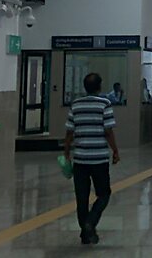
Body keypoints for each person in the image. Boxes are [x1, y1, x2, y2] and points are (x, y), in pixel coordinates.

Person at [63, 73, 120, 245]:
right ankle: (90, 223)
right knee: (104, 194)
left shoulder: (76, 105)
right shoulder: (105, 104)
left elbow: (69, 132)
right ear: (99, 86)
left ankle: (86, 233)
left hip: (80, 158)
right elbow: (108, 131)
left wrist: (66, 153)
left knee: (82, 197)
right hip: (99, 158)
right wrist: (115, 151)